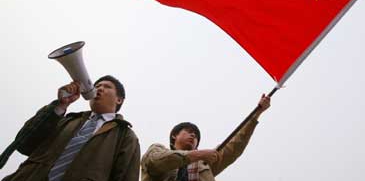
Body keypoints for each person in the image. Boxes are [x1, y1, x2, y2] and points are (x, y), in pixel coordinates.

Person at [3, 75, 140, 181]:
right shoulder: (65, 120)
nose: (99, 88)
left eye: (107, 86)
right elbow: (24, 144)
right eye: (97, 85)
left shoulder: (126, 137)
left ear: (119, 99)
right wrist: (60, 106)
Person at [141, 94, 271, 181]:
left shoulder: (203, 164)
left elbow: (233, 146)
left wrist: (256, 114)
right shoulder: (157, 149)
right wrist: (197, 154)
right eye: (188, 131)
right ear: (174, 135)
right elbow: (155, 162)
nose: (193, 135)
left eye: (196, 135)